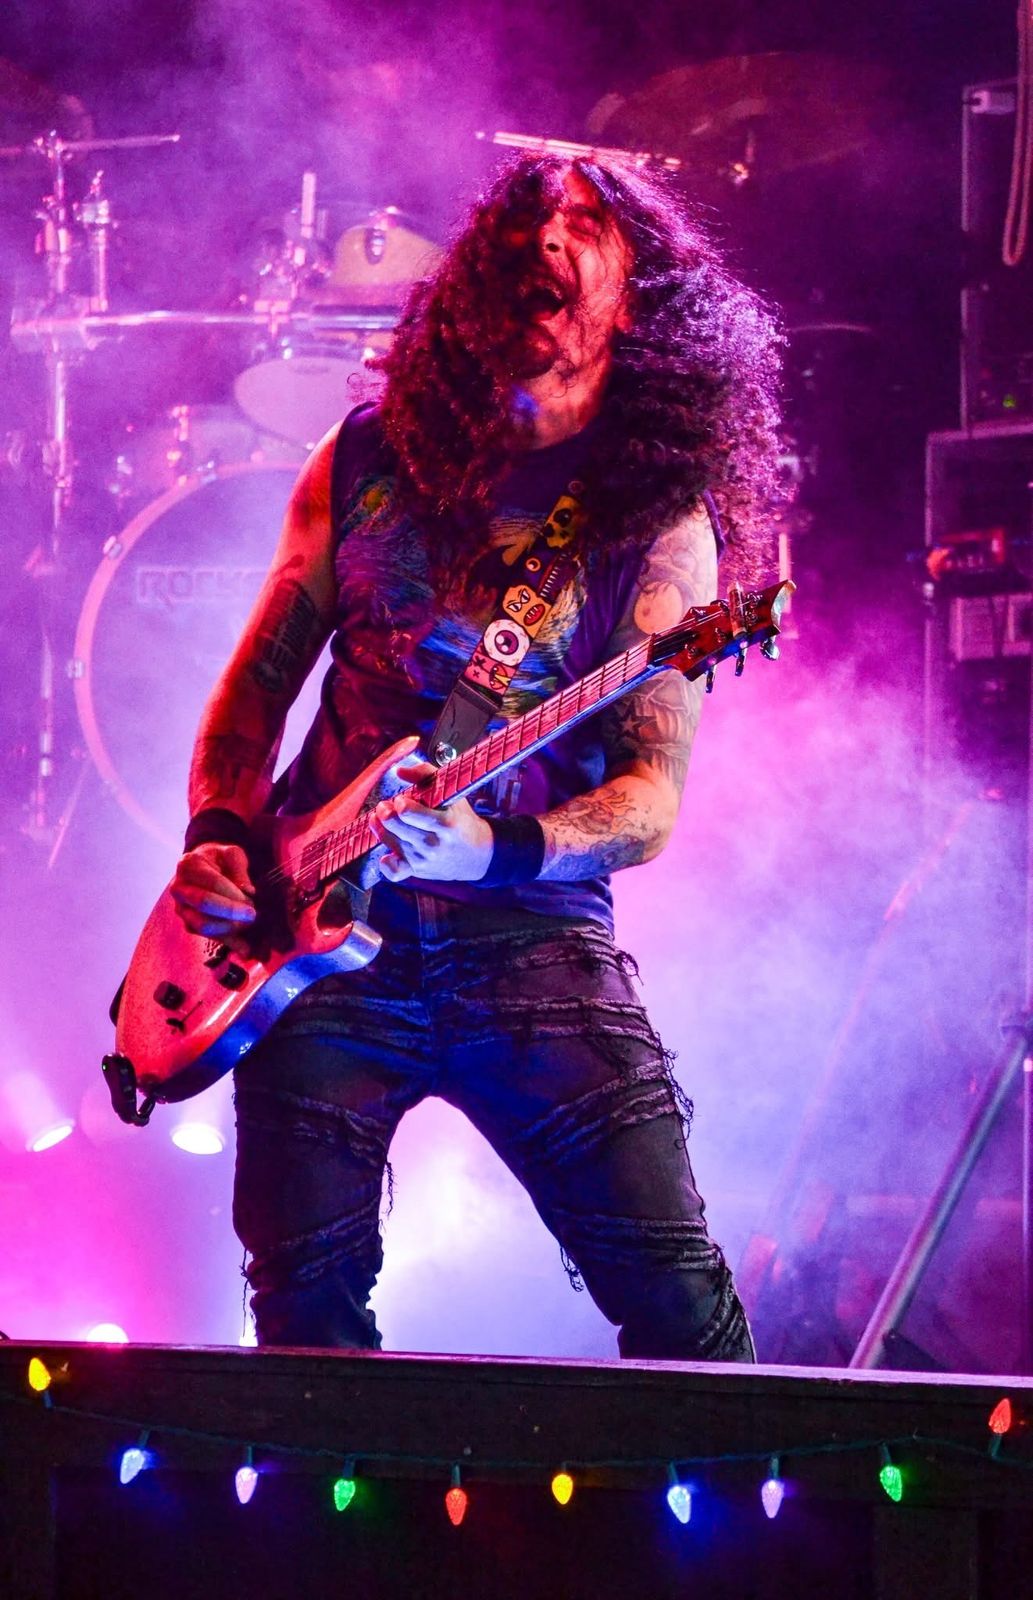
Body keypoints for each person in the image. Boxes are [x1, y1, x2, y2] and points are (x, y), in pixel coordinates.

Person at [169, 154, 783, 1358]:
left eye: (584, 225)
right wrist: (218, 837)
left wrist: (490, 847)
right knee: (303, 1324)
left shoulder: (657, 519)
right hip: (311, 940)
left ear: (635, 299)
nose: (544, 240)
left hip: (530, 941)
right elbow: (254, 689)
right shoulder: (363, 459)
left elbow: (649, 797)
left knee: (682, 1313)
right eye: (521, 225)